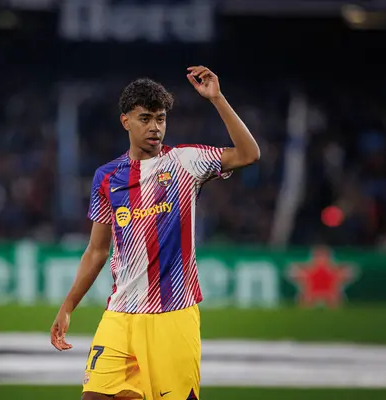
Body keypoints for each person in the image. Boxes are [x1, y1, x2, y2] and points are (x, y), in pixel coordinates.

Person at [50, 66, 260, 400]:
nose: (155, 128)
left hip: (172, 315)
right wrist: (68, 306)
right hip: (120, 313)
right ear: (126, 121)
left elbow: (249, 154)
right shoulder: (106, 178)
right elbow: (96, 251)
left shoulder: (186, 162)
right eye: (145, 119)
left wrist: (217, 99)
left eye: (160, 119)